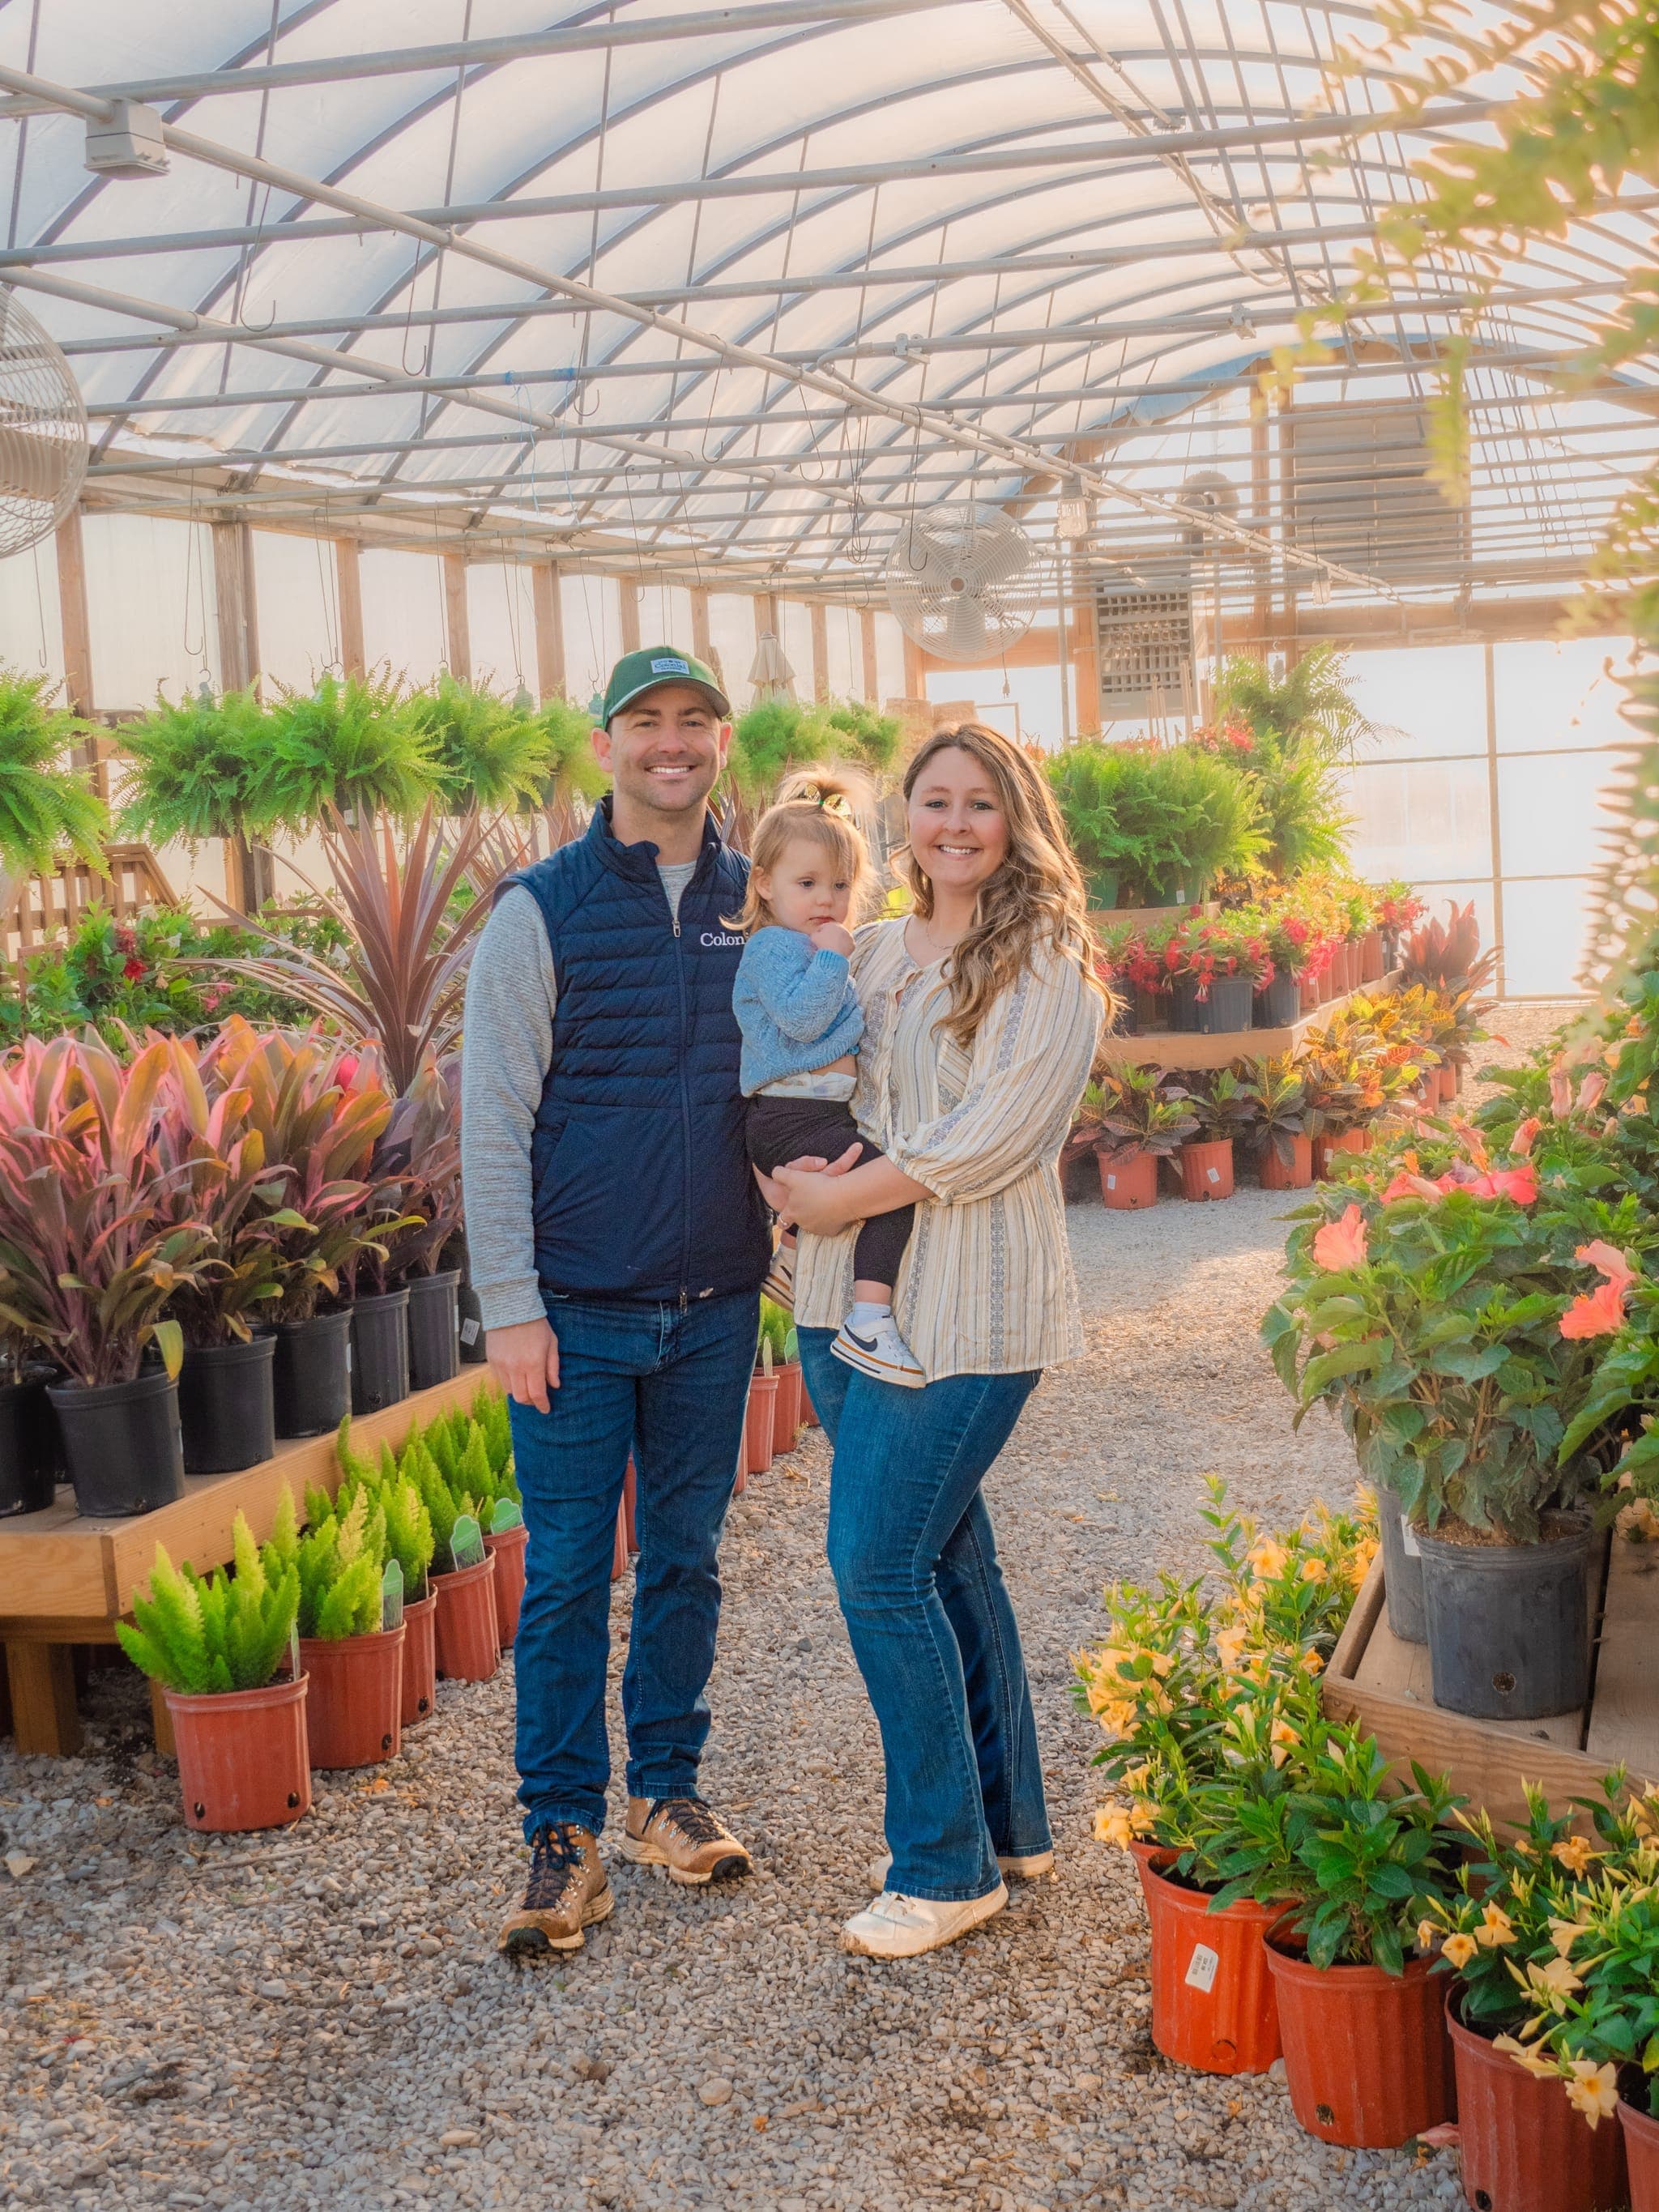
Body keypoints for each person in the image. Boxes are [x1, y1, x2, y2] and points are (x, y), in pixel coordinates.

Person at [760, 721, 1106, 1961]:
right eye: (934, 801)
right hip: (834, 1296)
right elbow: (799, 1071)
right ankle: (1006, 1825)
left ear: (1017, 820)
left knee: (876, 1565)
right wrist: (774, 1169)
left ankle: (943, 1865)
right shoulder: (864, 950)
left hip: (967, 1312)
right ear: (903, 818)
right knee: (950, 1561)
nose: (955, 823)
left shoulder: (1047, 962)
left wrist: (839, 1198)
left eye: (981, 803)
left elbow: (996, 1132)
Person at [461, 646, 770, 1958]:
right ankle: (560, 1834)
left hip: (713, 1303)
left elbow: (808, 1085)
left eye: (693, 720)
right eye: (645, 721)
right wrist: (510, 1304)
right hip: (575, 1311)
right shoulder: (540, 910)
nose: (671, 741)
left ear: (719, 741)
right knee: (569, 1572)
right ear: (605, 745)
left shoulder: (767, 906)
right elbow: (491, 1119)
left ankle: (664, 1792)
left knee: (687, 1558)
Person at [730, 766, 923, 1387]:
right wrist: (837, 954)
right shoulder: (774, 947)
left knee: (863, 1189)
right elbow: (805, 1019)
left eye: (839, 884)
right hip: (792, 1114)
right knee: (890, 1194)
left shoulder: (810, 947)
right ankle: (870, 1320)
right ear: (763, 883)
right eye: (807, 882)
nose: (825, 899)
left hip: (808, 1113)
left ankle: (787, 1256)